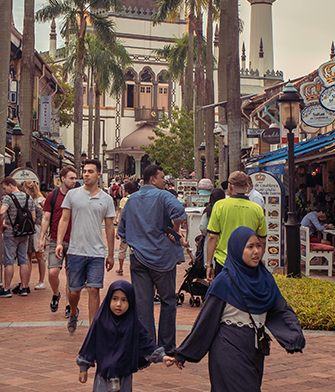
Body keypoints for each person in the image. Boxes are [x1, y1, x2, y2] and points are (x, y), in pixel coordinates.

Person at [173, 227, 305, 391]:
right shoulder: (224, 281)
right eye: (250, 247)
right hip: (228, 347)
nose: (256, 251)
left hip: (255, 350)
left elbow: (280, 310)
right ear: (237, 248)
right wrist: (184, 353)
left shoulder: (265, 279)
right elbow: (206, 321)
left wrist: (293, 336)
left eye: (258, 246)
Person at [118, 164, 187, 352]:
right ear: (152, 179)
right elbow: (180, 212)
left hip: (138, 256)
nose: (165, 181)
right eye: (162, 177)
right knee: (168, 300)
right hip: (162, 257)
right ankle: (167, 345)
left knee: (142, 302)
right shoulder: (164, 195)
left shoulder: (131, 200)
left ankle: (146, 346)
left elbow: (122, 231)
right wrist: (173, 230)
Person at [76, 280, 176, 392]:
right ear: (108, 299)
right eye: (115, 299)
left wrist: (162, 356)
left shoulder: (133, 323)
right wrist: (83, 368)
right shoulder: (101, 320)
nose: (118, 304)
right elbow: (90, 343)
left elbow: (147, 344)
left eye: (124, 300)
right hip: (103, 375)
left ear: (131, 302)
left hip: (124, 374)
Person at [56, 158, 116, 334]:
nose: (86, 174)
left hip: (96, 252)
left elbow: (110, 227)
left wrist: (110, 254)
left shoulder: (106, 199)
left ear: (99, 175)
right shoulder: (72, 195)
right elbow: (64, 219)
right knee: (74, 292)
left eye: (90, 171)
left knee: (94, 290)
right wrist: (59, 243)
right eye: (85, 171)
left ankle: (93, 329)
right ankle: (73, 312)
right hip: (75, 251)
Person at [206, 171, 268, 280]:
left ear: (230, 186)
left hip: (223, 261)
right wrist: (256, 261)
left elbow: (212, 237)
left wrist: (209, 264)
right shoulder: (257, 209)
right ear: (247, 186)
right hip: (247, 262)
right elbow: (262, 240)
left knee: (224, 295)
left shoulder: (220, 206)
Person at [40, 165, 78, 316]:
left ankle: (69, 304)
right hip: (56, 239)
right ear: (63, 179)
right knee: (53, 273)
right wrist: (41, 238)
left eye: (75, 178)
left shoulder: (78, 196)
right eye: (71, 178)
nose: (74, 181)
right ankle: (56, 294)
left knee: (71, 274)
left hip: (75, 240)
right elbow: (46, 217)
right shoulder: (52, 196)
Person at [0, 177, 37, 298]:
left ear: (10, 185)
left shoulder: (8, 198)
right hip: (25, 233)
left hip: (10, 233)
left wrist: (1, 224)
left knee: (9, 261)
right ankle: (24, 287)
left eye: (4, 188)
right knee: (23, 260)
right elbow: (33, 217)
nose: (4, 190)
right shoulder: (28, 197)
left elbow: (2, 212)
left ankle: (6, 289)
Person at [22, 180, 47, 292]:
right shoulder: (33, 199)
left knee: (38, 254)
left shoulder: (39, 200)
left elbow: (47, 213)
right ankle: (27, 281)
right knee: (30, 254)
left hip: (37, 228)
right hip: (32, 227)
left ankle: (40, 281)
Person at [115, 180, 139, 276]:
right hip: (136, 228)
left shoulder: (124, 200)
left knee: (122, 249)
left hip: (126, 228)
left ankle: (120, 268)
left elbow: (121, 215)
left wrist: (118, 229)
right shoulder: (138, 199)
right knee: (135, 250)